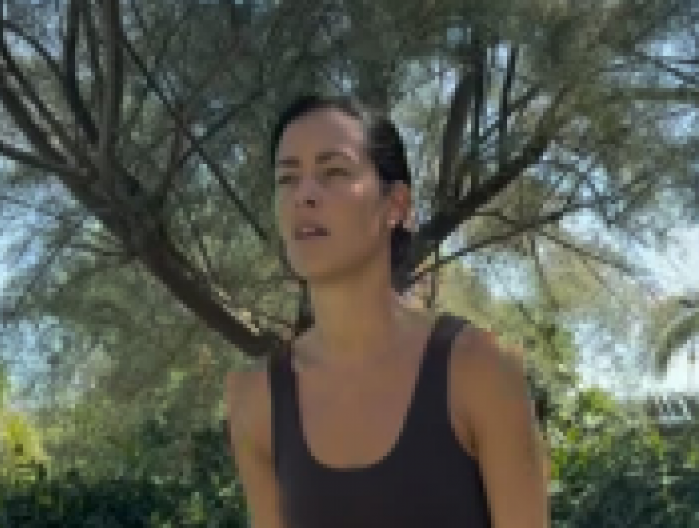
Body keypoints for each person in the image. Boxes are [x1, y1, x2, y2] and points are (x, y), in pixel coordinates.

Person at [224, 95, 548, 528]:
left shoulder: (481, 370)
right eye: (287, 178)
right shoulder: (256, 399)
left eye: (334, 172)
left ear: (395, 205)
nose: (304, 195)